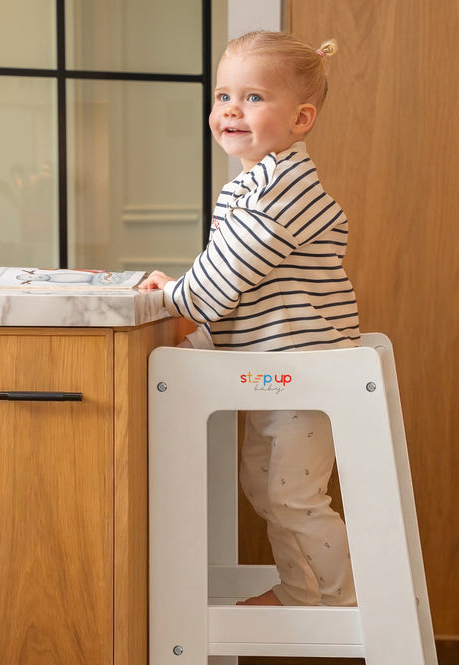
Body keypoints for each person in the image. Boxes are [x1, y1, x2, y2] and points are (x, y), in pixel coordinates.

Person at [140, 30, 360, 607]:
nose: (231, 110)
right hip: (275, 372)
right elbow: (229, 271)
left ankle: (338, 599)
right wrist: (184, 287)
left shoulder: (280, 190)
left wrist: (174, 297)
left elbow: (223, 280)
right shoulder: (255, 184)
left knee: (294, 497)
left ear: (301, 118)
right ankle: (300, 590)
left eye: (254, 97)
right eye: (222, 96)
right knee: (268, 490)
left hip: (303, 374)